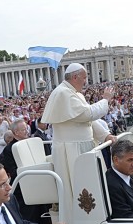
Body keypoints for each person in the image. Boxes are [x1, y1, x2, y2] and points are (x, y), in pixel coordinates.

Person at [41, 63, 113, 201]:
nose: (86, 81)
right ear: (75, 77)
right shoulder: (63, 93)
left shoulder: (74, 93)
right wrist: (105, 99)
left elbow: (87, 121)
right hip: (71, 150)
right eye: (84, 78)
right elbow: (88, 114)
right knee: (78, 190)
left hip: (83, 148)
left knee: (93, 186)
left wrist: (105, 135)